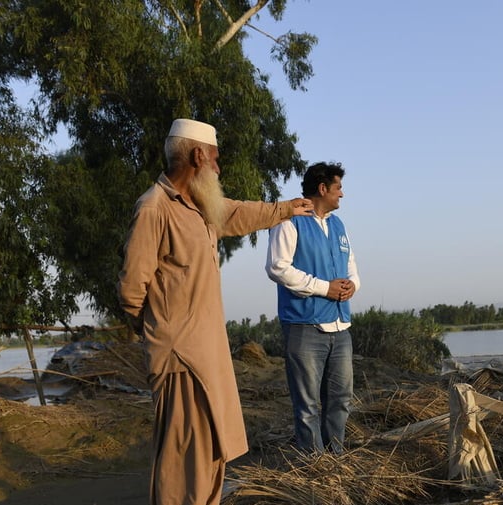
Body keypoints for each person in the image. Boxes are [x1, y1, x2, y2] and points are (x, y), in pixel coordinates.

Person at [117, 118, 313, 504]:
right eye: (217, 160)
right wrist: (163, 331)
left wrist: (285, 209)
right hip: (180, 361)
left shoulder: (199, 207)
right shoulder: (154, 208)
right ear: (198, 155)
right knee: (181, 461)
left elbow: (239, 214)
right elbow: (130, 290)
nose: (219, 169)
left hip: (208, 356)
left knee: (209, 455)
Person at [266, 161, 360, 454]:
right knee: (307, 406)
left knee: (340, 399)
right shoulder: (289, 221)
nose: (342, 194)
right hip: (304, 327)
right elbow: (277, 267)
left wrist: (353, 285)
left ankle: (336, 462)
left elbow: (351, 265)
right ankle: (314, 470)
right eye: (338, 188)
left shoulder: (339, 225)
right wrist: (324, 288)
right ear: (323, 189)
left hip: (340, 328)